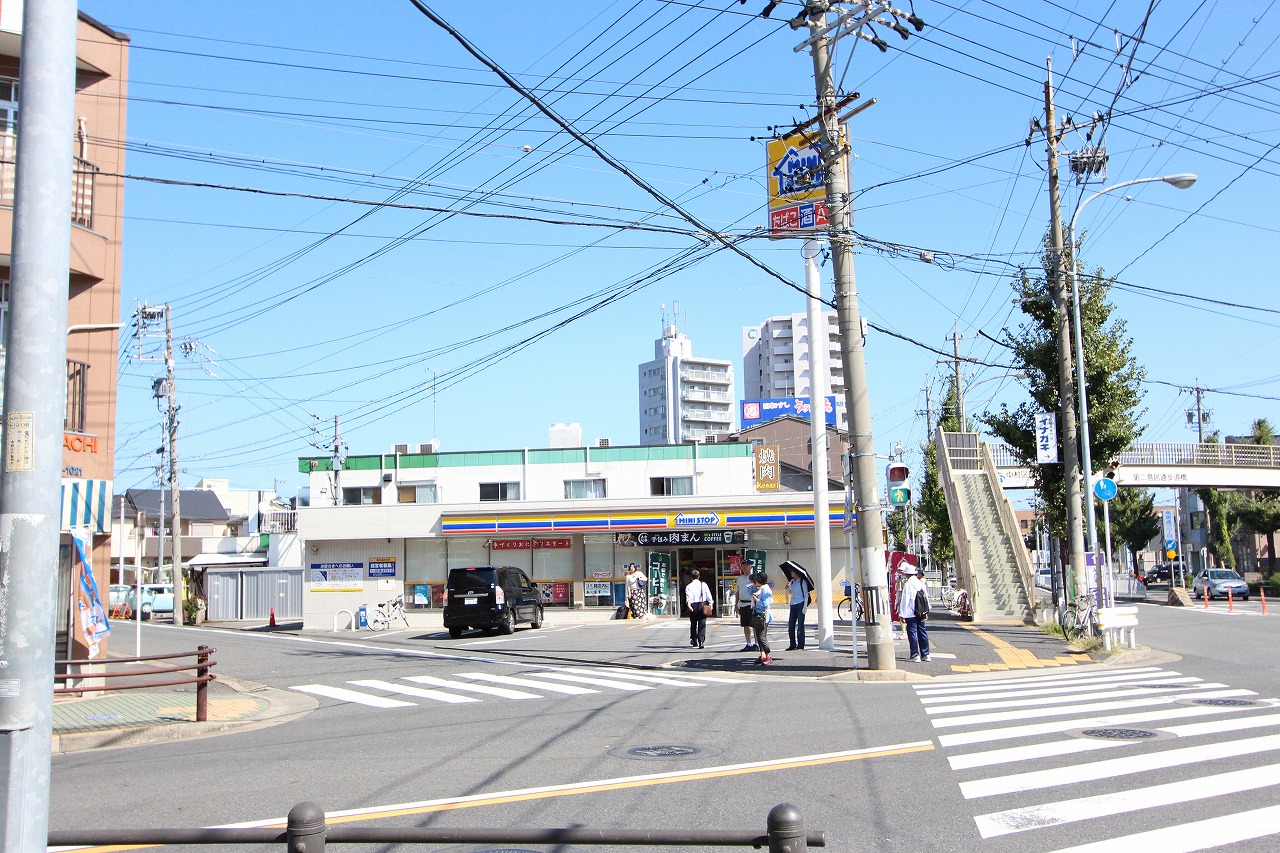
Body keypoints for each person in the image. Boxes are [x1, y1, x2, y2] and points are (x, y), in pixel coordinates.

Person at [897, 566, 930, 662]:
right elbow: (926, 598)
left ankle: (915, 655)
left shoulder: (908, 584)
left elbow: (905, 600)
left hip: (910, 613)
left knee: (912, 633)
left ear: (906, 574)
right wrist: (926, 611)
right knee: (922, 632)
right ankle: (926, 654)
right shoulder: (920, 583)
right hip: (921, 612)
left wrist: (902, 614)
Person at [684, 569, 713, 649]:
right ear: (699, 576)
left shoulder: (688, 586)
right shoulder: (703, 584)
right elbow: (708, 595)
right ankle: (701, 641)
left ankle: (694, 640)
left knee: (693, 623)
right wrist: (711, 604)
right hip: (702, 605)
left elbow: (688, 597)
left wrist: (689, 605)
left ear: (691, 577)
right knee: (702, 623)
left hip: (693, 605)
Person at [750, 570, 774, 664]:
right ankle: (763, 655)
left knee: (762, 636)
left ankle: (768, 655)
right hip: (759, 614)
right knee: (759, 636)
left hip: (763, 616)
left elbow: (765, 603)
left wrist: (756, 600)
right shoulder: (763, 587)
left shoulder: (765, 590)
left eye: (756, 580)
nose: (755, 582)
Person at [785, 565, 811, 651]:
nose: (791, 573)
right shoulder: (792, 581)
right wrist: (788, 588)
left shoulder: (802, 581)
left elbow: (806, 595)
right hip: (793, 604)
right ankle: (792, 644)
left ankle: (800, 644)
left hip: (800, 604)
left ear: (796, 573)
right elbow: (791, 592)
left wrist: (805, 607)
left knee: (800, 625)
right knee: (791, 625)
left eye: (792, 571)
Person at [736, 568, 757, 651]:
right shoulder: (740, 579)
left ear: (751, 567)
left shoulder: (754, 577)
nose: (745, 566)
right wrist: (736, 604)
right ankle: (748, 643)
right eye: (744, 565)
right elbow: (737, 592)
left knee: (754, 625)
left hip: (751, 603)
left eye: (747, 565)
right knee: (745, 624)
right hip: (742, 604)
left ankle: (757, 643)